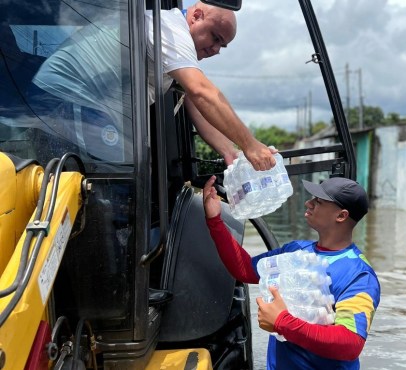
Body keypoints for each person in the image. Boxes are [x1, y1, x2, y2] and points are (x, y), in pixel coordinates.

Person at [31, 1, 274, 170]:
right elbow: (202, 92)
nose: (215, 50)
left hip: (73, 104)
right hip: (63, 102)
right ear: (196, 16)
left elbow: (196, 104)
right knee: (116, 181)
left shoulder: (175, 50)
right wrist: (251, 145)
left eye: (222, 46)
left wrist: (231, 151)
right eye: (215, 37)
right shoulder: (170, 29)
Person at [202, 175, 381, 369]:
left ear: (341, 216)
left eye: (318, 202)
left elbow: (350, 343)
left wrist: (282, 322)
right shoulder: (296, 250)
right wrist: (215, 220)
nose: (308, 203)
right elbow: (244, 270)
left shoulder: (359, 275)